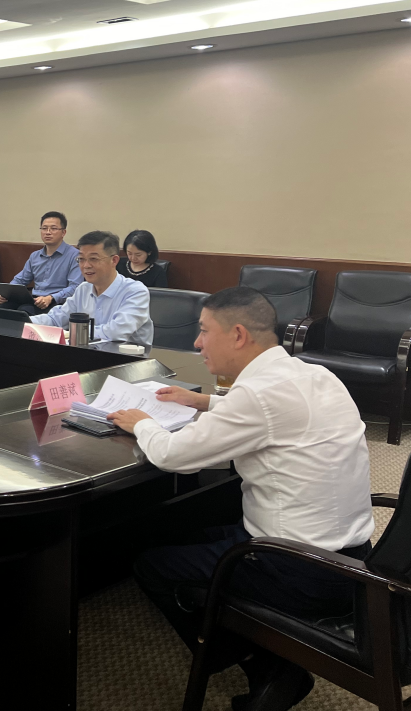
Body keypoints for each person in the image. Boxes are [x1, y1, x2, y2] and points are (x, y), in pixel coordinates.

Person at [107, 287, 373, 711]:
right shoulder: (316, 375)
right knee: (188, 533)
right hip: (355, 561)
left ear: (237, 335)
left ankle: (265, 667)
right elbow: (271, 413)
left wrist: (141, 422)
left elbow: (173, 456)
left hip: (297, 569)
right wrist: (204, 401)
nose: (197, 343)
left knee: (152, 565)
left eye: (204, 331)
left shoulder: (257, 396)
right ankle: (260, 652)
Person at [31, 230, 153, 345]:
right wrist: (26, 321)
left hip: (126, 357)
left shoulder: (135, 291)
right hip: (87, 353)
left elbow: (116, 332)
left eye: (93, 259)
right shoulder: (83, 289)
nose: (86, 266)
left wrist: (74, 332)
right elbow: (56, 319)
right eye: (81, 259)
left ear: (114, 260)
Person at [5, 212, 83, 316]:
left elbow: (75, 287)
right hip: (35, 300)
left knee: (22, 313)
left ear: (63, 232)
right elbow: (21, 279)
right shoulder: (35, 256)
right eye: (44, 228)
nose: (48, 232)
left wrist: (51, 298)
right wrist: (8, 293)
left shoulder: (74, 256)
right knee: (3, 309)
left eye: (53, 228)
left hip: (57, 303)